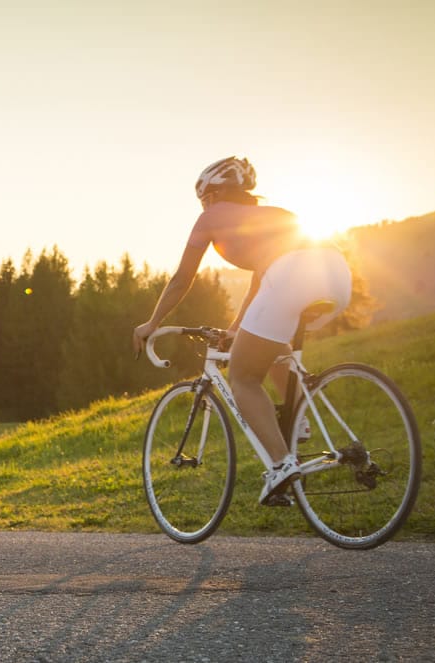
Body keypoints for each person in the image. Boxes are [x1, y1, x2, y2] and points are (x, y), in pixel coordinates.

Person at [132, 157, 352, 505]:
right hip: (337, 273)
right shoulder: (273, 216)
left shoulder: (211, 217)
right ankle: (299, 422)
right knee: (271, 345)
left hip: (291, 274)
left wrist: (152, 322)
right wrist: (236, 329)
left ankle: (282, 464)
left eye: (204, 198)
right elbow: (259, 287)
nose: (203, 206)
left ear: (214, 194)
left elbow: (181, 279)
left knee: (243, 378)